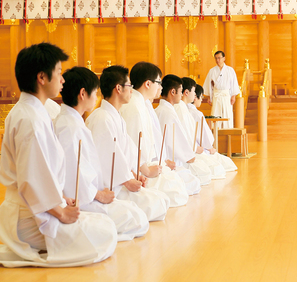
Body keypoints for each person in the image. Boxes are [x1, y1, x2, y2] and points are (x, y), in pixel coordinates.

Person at [0, 43, 117, 267]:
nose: (63, 81)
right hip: (27, 217)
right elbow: (30, 181)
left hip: (35, 209)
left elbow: (42, 174)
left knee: (104, 225)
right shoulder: (30, 120)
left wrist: (62, 199)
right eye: (59, 73)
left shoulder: (34, 112)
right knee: (105, 233)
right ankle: (28, 250)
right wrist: (61, 212)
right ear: (42, 77)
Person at [54, 66, 149, 241]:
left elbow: (120, 153)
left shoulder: (74, 122)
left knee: (137, 215)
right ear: (83, 94)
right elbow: (74, 173)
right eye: (95, 92)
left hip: (92, 193)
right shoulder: (70, 126)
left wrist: (132, 174)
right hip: (82, 199)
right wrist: (98, 194)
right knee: (135, 219)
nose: (97, 97)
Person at [86, 65, 170, 221]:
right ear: (118, 88)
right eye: (129, 86)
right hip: (111, 187)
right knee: (147, 212)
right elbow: (106, 158)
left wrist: (135, 173)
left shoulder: (115, 116)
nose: (132, 90)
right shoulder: (102, 118)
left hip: (122, 180)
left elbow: (126, 151)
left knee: (161, 200)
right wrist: (127, 180)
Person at [120, 62, 189, 206]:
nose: (160, 87)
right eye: (158, 82)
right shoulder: (134, 106)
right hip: (139, 171)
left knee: (182, 187)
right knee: (176, 194)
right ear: (147, 84)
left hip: (147, 165)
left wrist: (161, 163)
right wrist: (145, 170)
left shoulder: (142, 103)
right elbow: (132, 146)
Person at [155, 74, 212, 185]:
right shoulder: (169, 112)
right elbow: (176, 140)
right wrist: (189, 155)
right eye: (180, 91)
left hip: (170, 158)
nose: (181, 95)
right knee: (198, 180)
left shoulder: (160, 109)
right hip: (173, 160)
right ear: (172, 92)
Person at [175, 77, 226, 179]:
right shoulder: (181, 108)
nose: (194, 95)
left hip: (193, 149)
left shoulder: (183, 108)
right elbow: (182, 135)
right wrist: (196, 148)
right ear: (186, 92)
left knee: (216, 168)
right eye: (194, 91)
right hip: (188, 152)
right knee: (214, 169)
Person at [189, 84, 238, 172]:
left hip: (192, 148)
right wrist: (209, 147)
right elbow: (207, 140)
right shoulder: (197, 114)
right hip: (198, 150)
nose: (202, 99)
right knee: (228, 164)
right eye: (201, 97)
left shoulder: (183, 110)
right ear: (195, 97)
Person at [202, 51, 240, 129]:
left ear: (224, 58)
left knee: (227, 114)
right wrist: (209, 96)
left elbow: (234, 83)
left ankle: (228, 133)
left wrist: (233, 96)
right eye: (216, 58)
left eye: (219, 58)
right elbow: (209, 84)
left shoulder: (230, 70)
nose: (217, 60)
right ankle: (215, 133)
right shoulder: (212, 71)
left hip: (226, 96)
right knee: (216, 114)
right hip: (216, 95)